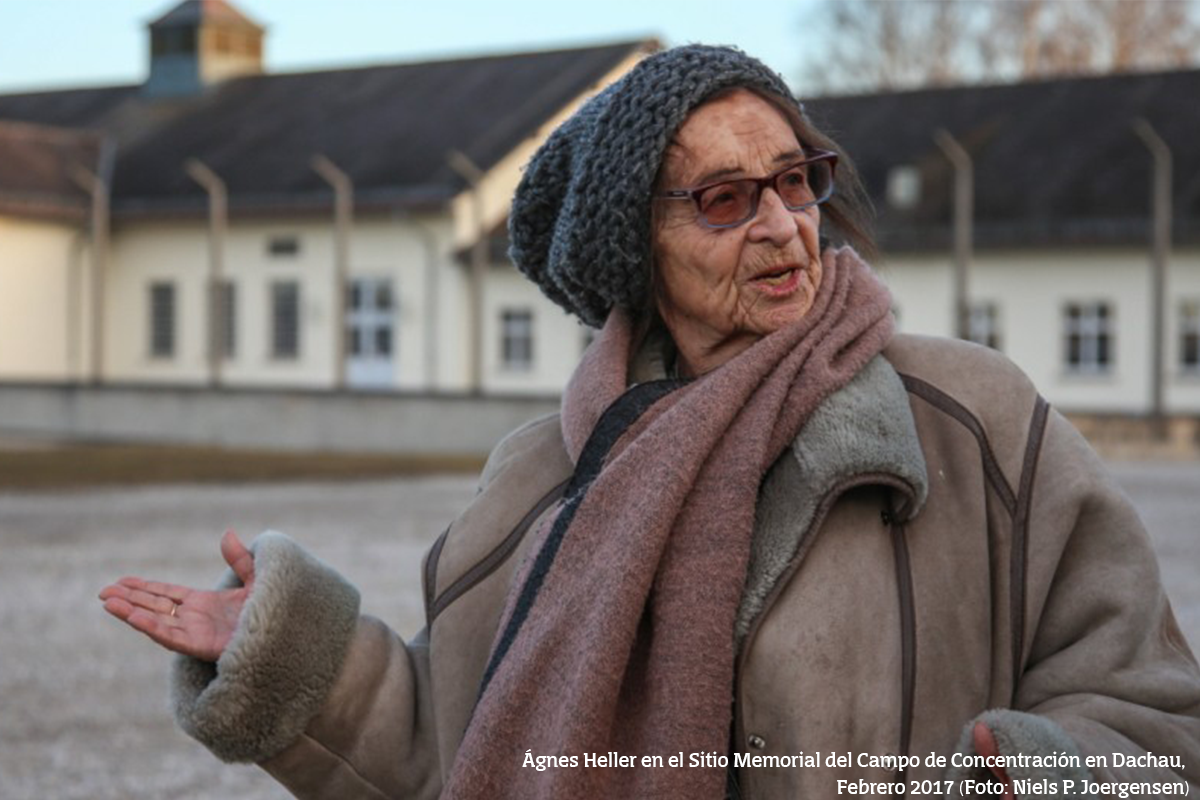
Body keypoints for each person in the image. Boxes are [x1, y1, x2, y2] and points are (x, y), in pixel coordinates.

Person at [99, 45, 1200, 800]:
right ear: (639, 247)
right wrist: (295, 654)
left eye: (796, 179)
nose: (783, 227)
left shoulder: (977, 423)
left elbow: (1161, 721)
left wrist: (1033, 768)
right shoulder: (544, 476)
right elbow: (458, 747)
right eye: (725, 199)